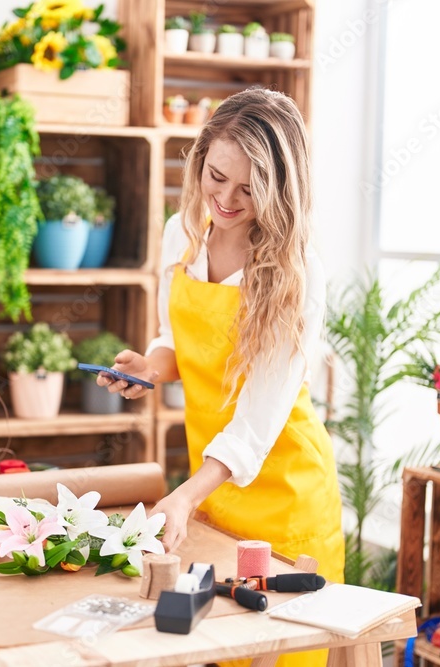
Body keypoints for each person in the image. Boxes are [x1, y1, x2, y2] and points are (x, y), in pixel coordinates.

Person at [98, 88, 344, 667]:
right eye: (216, 176)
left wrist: (182, 498)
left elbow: (258, 419)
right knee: (216, 649)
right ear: (201, 158)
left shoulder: (295, 271)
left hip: (285, 497)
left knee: (278, 653)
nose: (226, 200)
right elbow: (174, 337)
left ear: (283, 188)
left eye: (250, 188)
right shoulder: (181, 235)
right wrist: (150, 368)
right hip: (212, 492)